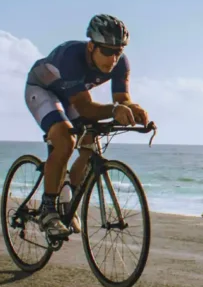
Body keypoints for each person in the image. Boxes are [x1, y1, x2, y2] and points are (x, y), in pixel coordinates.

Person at [23, 14, 149, 237]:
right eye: (107, 51)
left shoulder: (121, 63)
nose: (113, 58)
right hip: (42, 91)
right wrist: (114, 111)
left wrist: (134, 109)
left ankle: (67, 200)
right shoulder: (71, 56)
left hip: (69, 97)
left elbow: (122, 98)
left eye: (118, 51)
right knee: (65, 139)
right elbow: (85, 107)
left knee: (90, 143)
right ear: (91, 47)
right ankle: (48, 210)